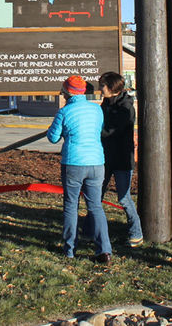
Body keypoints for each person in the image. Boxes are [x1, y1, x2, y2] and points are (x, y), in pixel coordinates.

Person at [47, 75, 112, 265]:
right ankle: (105, 250)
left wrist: (56, 127)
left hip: (73, 163)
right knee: (95, 207)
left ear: (67, 93)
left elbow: (53, 138)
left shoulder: (64, 112)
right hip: (97, 163)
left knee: (71, 205)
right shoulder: (96, 110)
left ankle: (70, 249)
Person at [98, 72, 143, 247]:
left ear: (112, 88)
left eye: (103, 85)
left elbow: (110, 130)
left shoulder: (126, 108)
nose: (100, 88)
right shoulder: (106, 103)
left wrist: (92, 131)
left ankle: (136, 233)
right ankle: (90, 230)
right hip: (104, 158)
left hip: (123, 159)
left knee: (124, 198)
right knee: (96, 196)